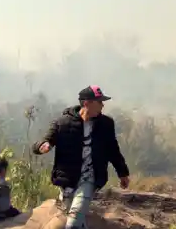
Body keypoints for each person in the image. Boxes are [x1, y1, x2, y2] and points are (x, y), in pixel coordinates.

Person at [33, 86, 130, 229]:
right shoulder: (62, 123)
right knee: (75, 218)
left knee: (73, 221)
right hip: (68, 179)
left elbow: (113, 150)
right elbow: (45, 140)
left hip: (90, 178)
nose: (103, 105)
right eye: (99, 102)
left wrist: (123, 173)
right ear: (87, 103)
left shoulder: (106, 124)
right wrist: (42, 146)